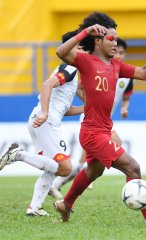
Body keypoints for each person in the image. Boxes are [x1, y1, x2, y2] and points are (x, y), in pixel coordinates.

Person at [52, 12, 146, 225]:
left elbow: (145, 74)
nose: (115, 43)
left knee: (93, 171)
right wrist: (85, 32)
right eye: (110, 39)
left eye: (116, 38)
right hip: (91, 133)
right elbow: (61, 51)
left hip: (104, 130)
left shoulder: (116, 65)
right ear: (98, 41)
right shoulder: (85, 61)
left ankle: (66, 203)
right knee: (132, 167)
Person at [0, 30, 84, 216]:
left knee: (51, 168)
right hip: (46, 121)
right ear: (73, 48)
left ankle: (34, 208)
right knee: (65, 168)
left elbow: (63, 107)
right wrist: (45, 113)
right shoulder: (70, 68)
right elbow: (46, 85)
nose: (85, 53)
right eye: (81, 48)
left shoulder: (69, 71)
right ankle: (18, 154)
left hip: (39, 119)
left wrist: (84, 109)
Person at [49, 37, 134, 199]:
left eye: (123, 53)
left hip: (105, 122)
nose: (120, 56)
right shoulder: (100, 69)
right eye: (118, 52)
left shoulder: (126, 76)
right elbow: (79, 87)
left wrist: (125, 107)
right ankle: (62, 184)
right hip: (92, 119)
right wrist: (90, 103)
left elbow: (126, 96)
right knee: (114, 150)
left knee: (89, 162)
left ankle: (60, 187)